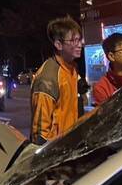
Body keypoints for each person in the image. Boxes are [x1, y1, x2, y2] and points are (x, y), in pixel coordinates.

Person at [30, 16, 83, 144]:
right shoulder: (47, 79)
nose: (80, 44)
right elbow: (40, 134)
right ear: (58, 44)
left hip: (71, 146)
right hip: (56, 153)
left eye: (80, 39)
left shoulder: (72, 68)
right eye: (73, 40)